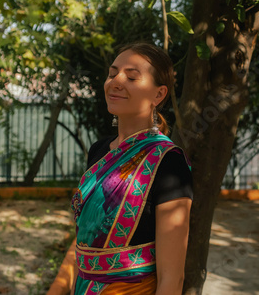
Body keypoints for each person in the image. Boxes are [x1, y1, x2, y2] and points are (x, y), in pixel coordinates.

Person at [71, 43, 193, 295]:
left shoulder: (168, 162)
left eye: (131, 76)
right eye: (112, 73)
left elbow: (172, 277)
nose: (115, 81)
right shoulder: (99, 151)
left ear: (158, 95)